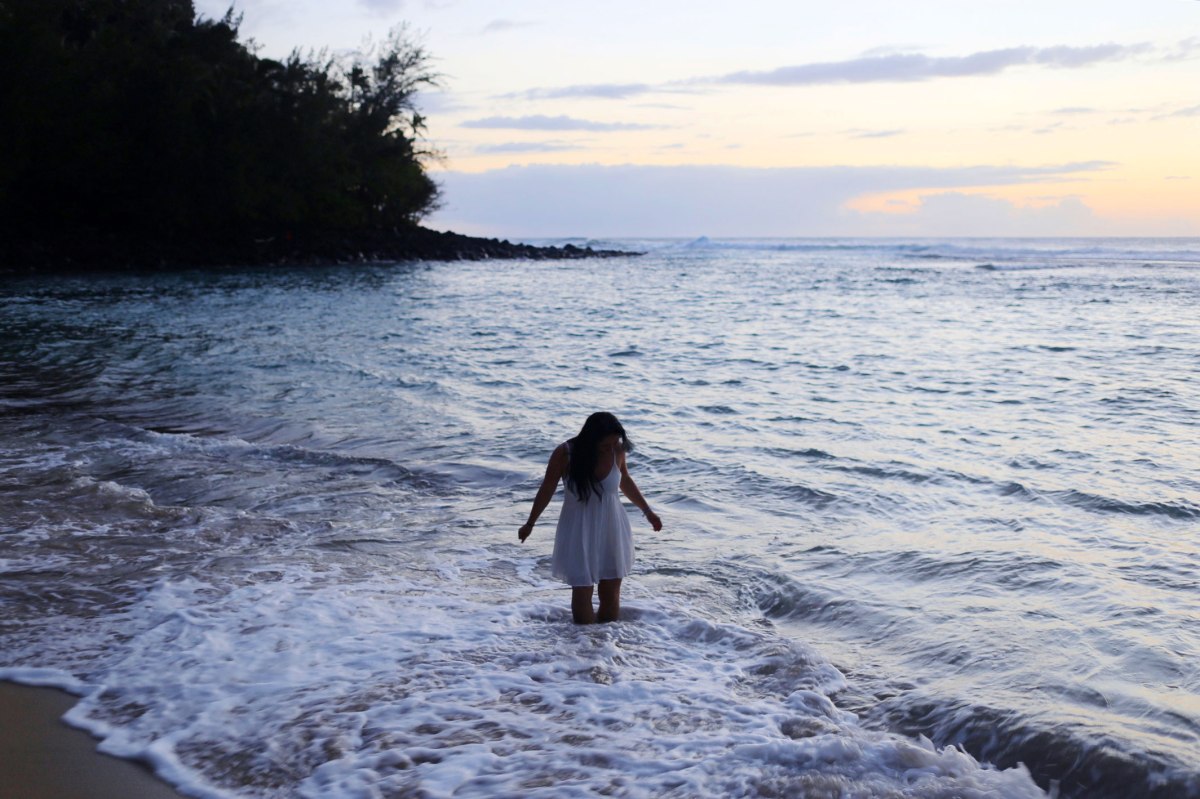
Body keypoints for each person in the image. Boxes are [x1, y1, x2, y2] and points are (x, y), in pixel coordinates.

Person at [518, 412, 662, 624]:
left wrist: (648, 512)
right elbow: (547, 488)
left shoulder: (618, 451)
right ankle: (582, 644)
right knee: (583, 588)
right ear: (591, 439)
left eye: (615, 442)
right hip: (579, 527)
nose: (611, 448)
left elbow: (625, 481)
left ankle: (606, 645)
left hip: (612, 525)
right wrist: (530, 523)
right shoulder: (565, 453)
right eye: (606, 444)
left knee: (611, 588)